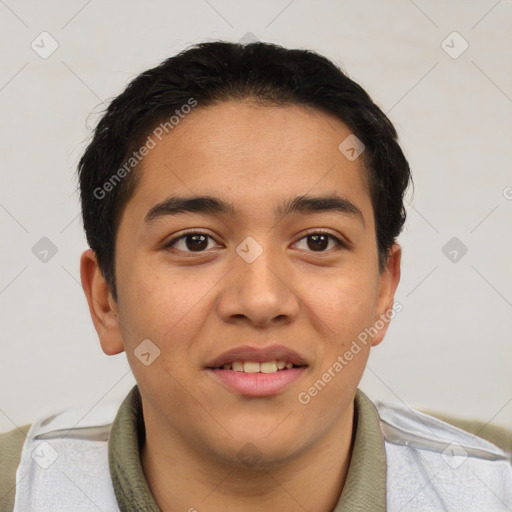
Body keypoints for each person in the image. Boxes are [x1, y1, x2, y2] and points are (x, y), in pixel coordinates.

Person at [1, 40, 511, 512]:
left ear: (384, 290)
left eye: (318, 241)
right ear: (105, 298)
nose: (261, 299)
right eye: (195, 241)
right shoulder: (21, 486)